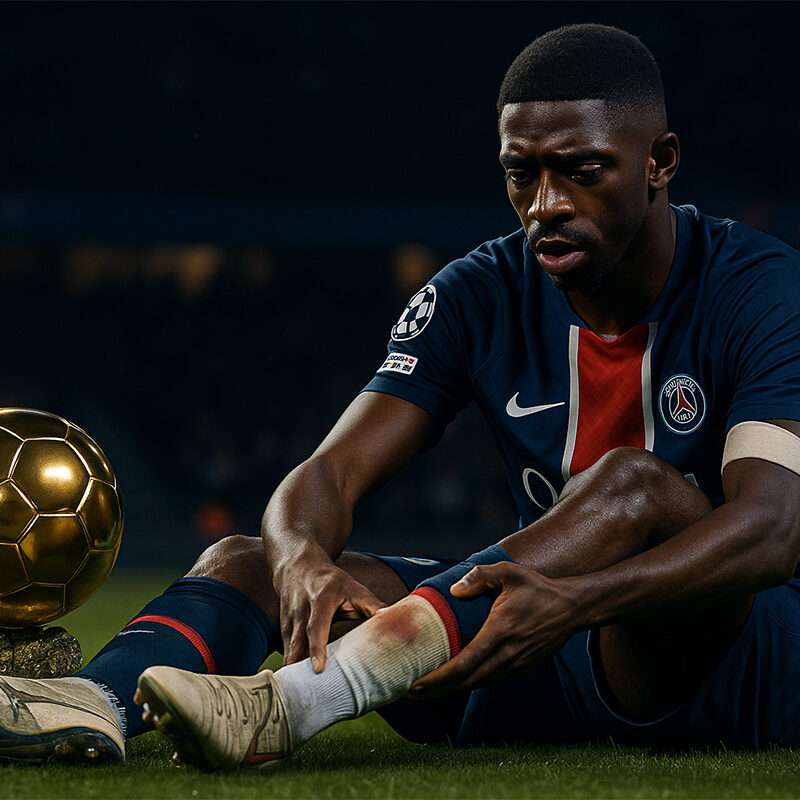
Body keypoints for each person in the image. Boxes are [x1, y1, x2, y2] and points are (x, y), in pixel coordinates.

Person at [1, 22, 799, 769]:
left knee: (637, 484)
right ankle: (84, 699)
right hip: (529, 649)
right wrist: (302, 560)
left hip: (725, 661)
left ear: (659, 160)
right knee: (245, 561)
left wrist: (580, 600)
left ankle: (293, 704)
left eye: (582, 171)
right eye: (522, 174)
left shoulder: (763, 289)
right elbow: (328, 476)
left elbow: (771, 531)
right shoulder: (476, 294)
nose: (547, 204)